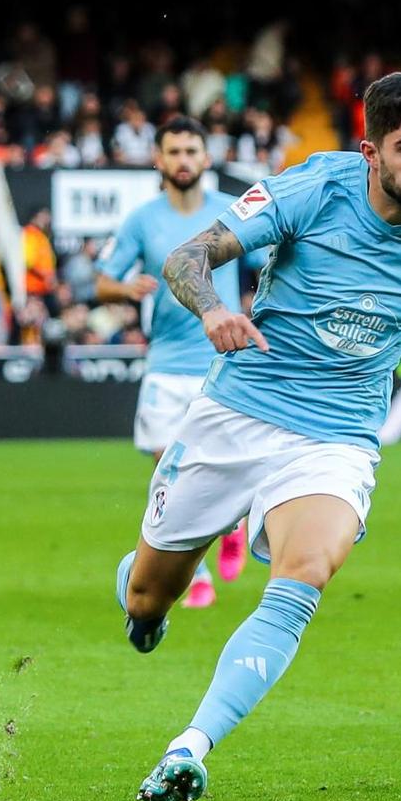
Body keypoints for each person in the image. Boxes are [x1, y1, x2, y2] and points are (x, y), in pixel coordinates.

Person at [122, 72, 401, 801]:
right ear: (370, 152)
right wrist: (214, 312)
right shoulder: (312, 189)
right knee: (146, 601)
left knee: (307, 573)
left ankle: (189, 747)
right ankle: (144, 594)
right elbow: (186, 259)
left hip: (338, 435)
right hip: (239, 411)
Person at [93, 116, 249, 607]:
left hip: (221, 360)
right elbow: (102, 282)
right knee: (169, 469)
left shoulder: (231, 213)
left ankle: (232, 526)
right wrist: (126, 287)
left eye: (191, 151)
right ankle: (196, 571)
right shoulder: (143, 219)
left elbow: (269, 265)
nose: (183, 160)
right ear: (159, 159)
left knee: (223, 462)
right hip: (165, 360)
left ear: (206, 158)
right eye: (174, 152)